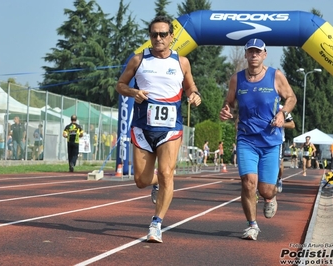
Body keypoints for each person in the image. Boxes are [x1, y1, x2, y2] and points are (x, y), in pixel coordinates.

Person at [115, 15, 201, 243]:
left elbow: (190, 84)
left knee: (166, 173)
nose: (158, 38)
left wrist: (194, 94)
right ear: (150, 37)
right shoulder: (138, 60)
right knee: (141, 180)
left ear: (171, 37)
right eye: (154, 34)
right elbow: (120, 85)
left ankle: (156, 224)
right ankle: (160, 184)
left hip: (171, 127)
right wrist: (134, 92)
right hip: (143, 127)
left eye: (163, 34)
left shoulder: (181, 62)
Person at [219, 38, 297, 240]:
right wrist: (226, 111)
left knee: (265, 189)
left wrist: (283, 114)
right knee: (248, 182)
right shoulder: (237, 79)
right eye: (250, 52)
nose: (254, 55)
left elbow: (291, 98)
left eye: (257, 52)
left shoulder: (275, 76)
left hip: (270, 140)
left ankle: (270, 198)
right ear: (245, 55)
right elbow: (229, 103)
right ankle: (252, 225)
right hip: (246, 139)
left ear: (264, 55)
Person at [277, 105, 295, 193]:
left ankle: (279, 179)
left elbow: (292, 124)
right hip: (263, 140)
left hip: (279, 141)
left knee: (280, 165)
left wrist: (280, 124)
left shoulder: (282, 108)